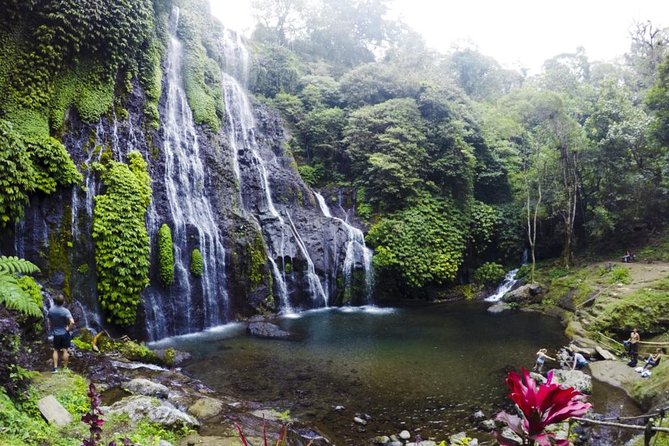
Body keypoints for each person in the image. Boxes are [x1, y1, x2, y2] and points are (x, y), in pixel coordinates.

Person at [46, 294, 75, 372]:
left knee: (55, 350)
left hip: (56, 334)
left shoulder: (51, 310)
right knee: (65, 350)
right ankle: (65, 368)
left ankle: (55, 368)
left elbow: (49, 321)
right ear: (63, 302)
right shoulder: (65, 311)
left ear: (54, 301)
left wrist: (51, 328)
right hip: (65, 333)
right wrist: (68, 329)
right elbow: (72, 322)